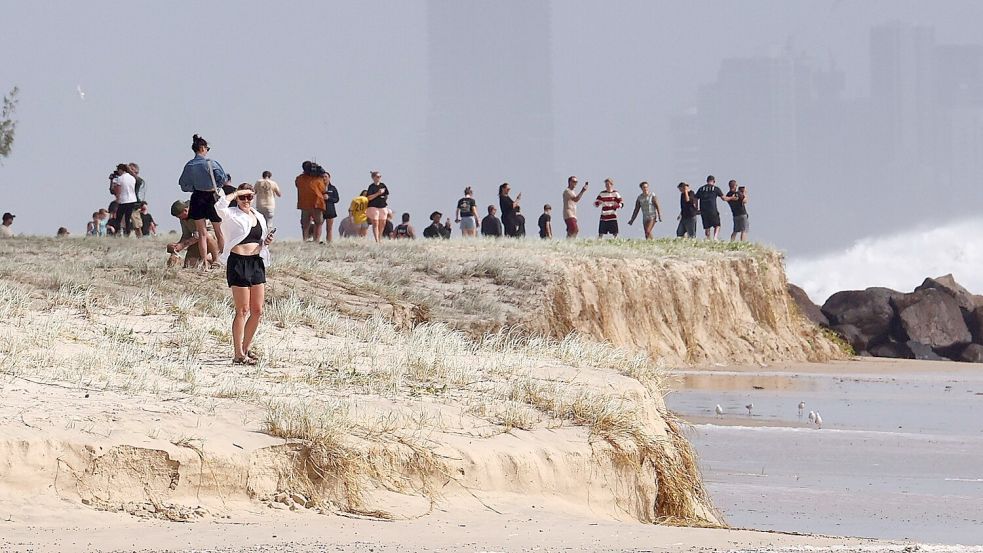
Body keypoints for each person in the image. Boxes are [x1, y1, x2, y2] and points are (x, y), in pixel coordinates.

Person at [215, 183, 274, 366]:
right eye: (243, 197)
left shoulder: (259, 216)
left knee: (257, 310)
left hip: (256, 262)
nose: (246, 200)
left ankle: (246, 348)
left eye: (249, 196)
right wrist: (235, 194)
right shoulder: (231, 214)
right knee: (242, 309)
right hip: (238, 262)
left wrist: (267, 241)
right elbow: (219, 206)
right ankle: (237, 353)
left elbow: (259, 238)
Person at [178, 134, 228, 266]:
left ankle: (205, 263)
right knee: (218, 230)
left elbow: (183, 184)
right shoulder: (211, 163)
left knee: (202, 233)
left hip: (197, 197)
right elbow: (222, 179)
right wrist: (214, 186)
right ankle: (220, 259)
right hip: (211, 196)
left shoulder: (189, 165)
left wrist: (194, 187)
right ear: (202, 148)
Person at [167, 200, 219, 268]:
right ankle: (207, 259)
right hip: (196, 241)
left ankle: (216, 261)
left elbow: (201, 234)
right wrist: (177, 246)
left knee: (207, 236)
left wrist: (182, 245)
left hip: (210, 237)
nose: (180, 219)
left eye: (180, 216)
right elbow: (186, 235)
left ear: (185, 210)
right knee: (189, 264)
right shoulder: (183, 219)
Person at [295, 161, 326, 243]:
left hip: (304, 204)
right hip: (317, 203)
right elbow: (323, 189)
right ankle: (317, 240)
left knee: (305, 224)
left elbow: (297, 184)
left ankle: (305, 239)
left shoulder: (300, 178)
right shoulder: (318, 179)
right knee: (318, 222)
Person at [111, 163, 139, 237]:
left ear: (121, 170)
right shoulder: (132, 178)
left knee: (119, 218)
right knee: (127, 217)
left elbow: (118, 190)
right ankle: (128, 232)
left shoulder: (120, 179)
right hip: (132, 199)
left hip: (123, 200)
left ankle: (116, 232)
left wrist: (117, 198)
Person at [695, 175, 724, 240]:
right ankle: (715, 237)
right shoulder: (715, 188)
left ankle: (708, 238)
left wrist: (697, 208)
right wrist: (732, 198)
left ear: (707, 181)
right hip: (712, 209)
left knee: (707, 226)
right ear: (714, 181)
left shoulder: (701, 189)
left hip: (703, 210)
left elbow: (696, 198)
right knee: (717, 225)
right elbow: (723, 198)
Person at [366, 170, 390, 242]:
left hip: (382, 206)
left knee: (383, 222)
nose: (379, 178)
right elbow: (369, 197)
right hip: (373, 206)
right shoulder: (371, 187)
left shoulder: (383, 185)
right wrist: (378, 193)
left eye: (380, 176)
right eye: (377, 177)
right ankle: (376, 239)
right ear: (373, 178)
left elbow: (386, 194)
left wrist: (384, 199)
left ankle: (380, 237)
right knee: (375, 222)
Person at [322, 171, 340, 243]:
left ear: (329, 178)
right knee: (317, 225)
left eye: (326, 177)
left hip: (330, 209)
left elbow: (336, 199)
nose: (324, 178)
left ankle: (329, 242)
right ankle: (316, 241)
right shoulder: (319, 187)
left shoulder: (333, 188)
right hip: (321, 209)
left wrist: (328, 198)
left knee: (329, 228)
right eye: (323, 177)